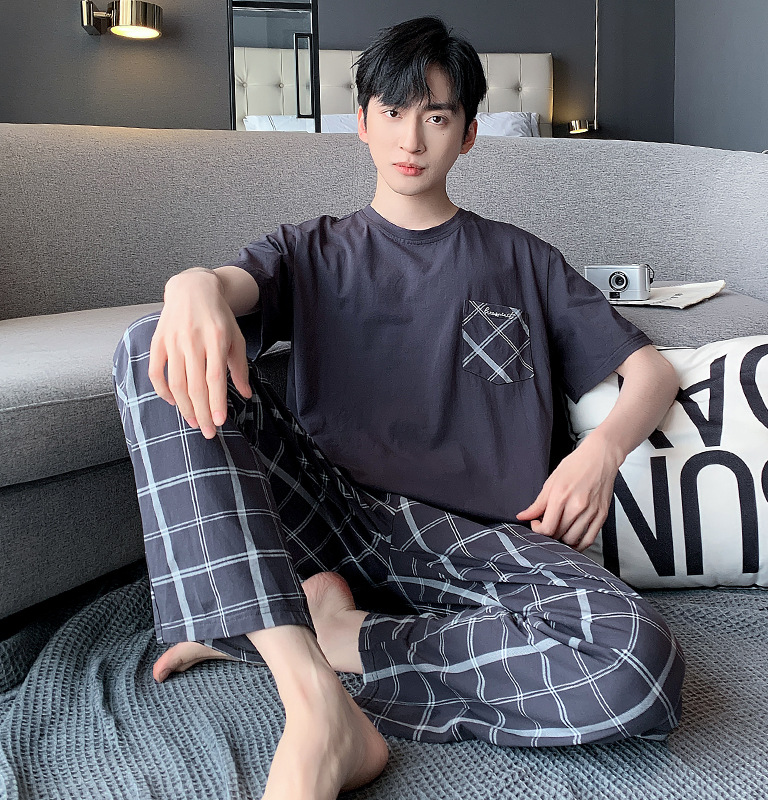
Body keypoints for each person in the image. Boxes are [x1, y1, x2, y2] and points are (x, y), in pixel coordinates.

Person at [112, 16, 684, 800]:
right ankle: (314, 703)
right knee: (151, 345)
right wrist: (190, 285)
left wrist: (601, 451)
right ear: (362, 122)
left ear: (469, 135)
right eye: (392, 112)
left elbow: (651, 373)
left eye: (437, 116)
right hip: (329, 513)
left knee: (636, 664)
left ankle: (319, 635)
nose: (411, 138)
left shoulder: (522, 259)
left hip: (476, 540)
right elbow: (227, 290)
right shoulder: (311, 249)